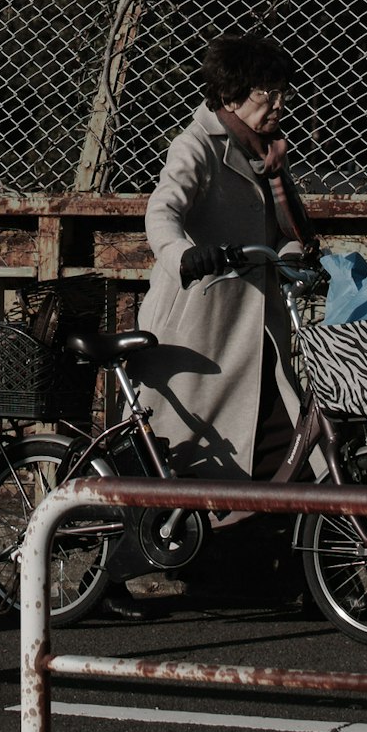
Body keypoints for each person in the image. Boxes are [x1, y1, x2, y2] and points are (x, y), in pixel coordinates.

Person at [136, 33, 321, 482]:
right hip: (203, 327)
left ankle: (265, 543)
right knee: (190, 453)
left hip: (257, 328)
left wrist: (292, 258)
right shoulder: (196, 145)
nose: (279, 103)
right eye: (266, 93)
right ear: (229, 96)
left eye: (282, 92)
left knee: (280, 443)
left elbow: (284, 230)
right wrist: (185, 255)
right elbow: (162, 211)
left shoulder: (268, 152)